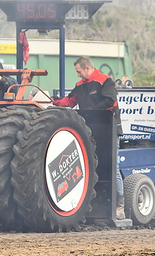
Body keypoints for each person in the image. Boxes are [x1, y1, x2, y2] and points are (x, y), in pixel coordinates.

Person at [52, 56, 125, 220]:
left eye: (78, 71)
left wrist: (92, 112)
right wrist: (53, 102)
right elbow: (70, 101)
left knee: (113, 166)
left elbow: (111, 101)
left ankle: (120, 206)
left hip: (109, 129)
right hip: (90, 131)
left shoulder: (105, 81)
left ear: (86, 68)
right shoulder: (80, 86)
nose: (77, 75)